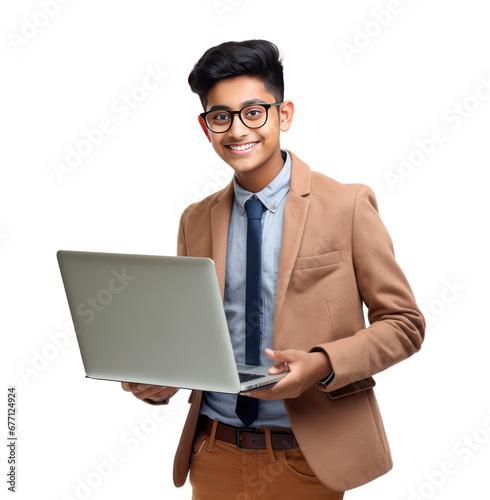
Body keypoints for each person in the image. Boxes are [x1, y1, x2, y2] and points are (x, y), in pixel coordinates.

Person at [121, 39, 426, 499]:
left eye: (253, 112)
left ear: (283, 115)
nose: (238, 129)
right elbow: (191, 336)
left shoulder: (347, 206)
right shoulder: (195, 220)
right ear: (206, 128)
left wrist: (322, 364)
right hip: (214, 449)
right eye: (221, 116)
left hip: (308, 457)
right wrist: (156, 379)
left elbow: (404, 325)